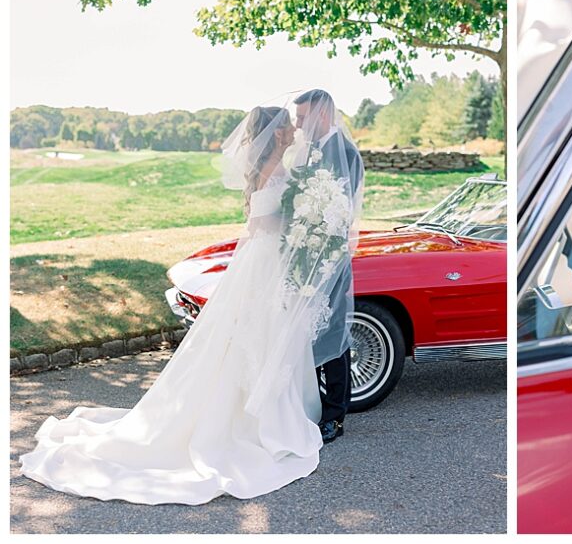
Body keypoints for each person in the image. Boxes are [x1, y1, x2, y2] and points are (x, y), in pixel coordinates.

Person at [19, 93, 363, 504]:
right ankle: (256, 418)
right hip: (268, 261)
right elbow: (261, 221)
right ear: (273, 136)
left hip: (275, 262)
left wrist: (306, 220)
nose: (293, 127)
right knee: (260, 335)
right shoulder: (273, 168)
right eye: (288, 124)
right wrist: (299, 218)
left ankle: (287, 410)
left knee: (269, 336)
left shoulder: (292, 162)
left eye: (297, 120)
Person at [293, 88, 365, 443]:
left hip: (331, 258)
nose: (297, 124)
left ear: (321, 115)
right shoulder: (309, 152)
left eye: (302, 117)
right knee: (306, 328)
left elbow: (343, 209)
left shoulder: (346, 153)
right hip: (305, 254)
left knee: (333, 330)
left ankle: (335, 415)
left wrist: (318, 239)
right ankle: (313, 403)